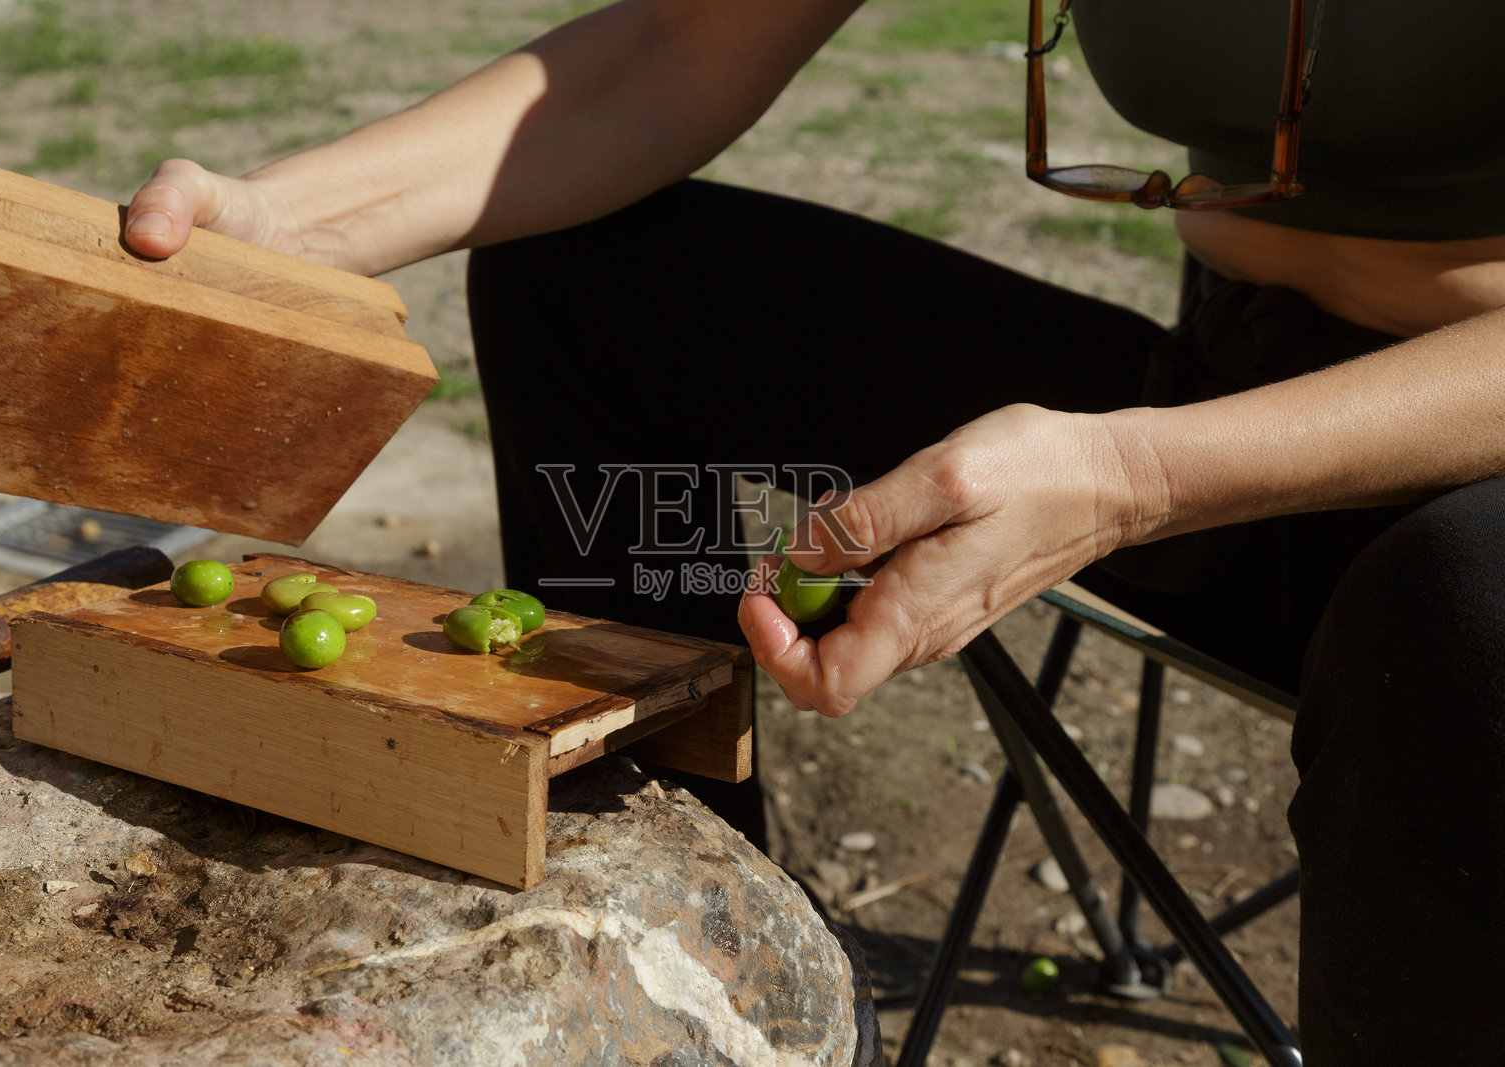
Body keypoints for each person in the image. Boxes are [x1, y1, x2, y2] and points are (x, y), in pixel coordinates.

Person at [121, 1, 1505, 1061]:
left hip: (1459, 475)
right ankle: (705, 993)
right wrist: (279, 228)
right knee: (591, 290)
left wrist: (1133, 475)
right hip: (1221, 381)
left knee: (1454, 620)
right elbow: (678, 44)